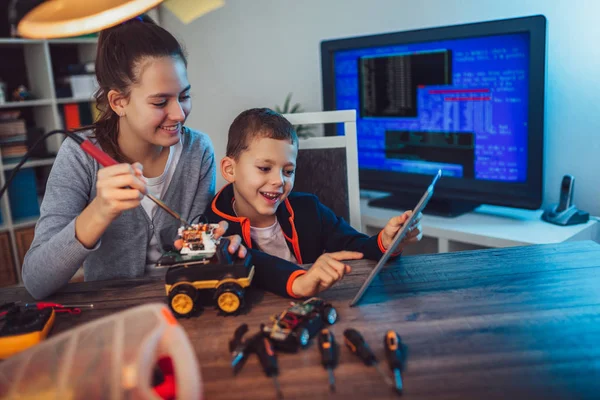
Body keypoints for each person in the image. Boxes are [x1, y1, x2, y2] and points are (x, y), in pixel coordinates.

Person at [21, 16, 246, 300]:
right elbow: (35, 281)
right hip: (112, 315)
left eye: (184, 96)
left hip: (183, 302)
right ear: (119, 102)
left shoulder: (197, 151)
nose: (179, 114)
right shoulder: (79, 156)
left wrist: (217, 245)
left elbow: (193, 248)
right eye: (160, 102)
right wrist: (100, 211)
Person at [202, 108, 423, 298]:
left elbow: (356, 247)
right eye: (264, 168)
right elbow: (250, 264)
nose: (279, 181)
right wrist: (299, 281)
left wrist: (386, 242)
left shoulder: (308, 209)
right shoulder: (214, 226)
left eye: (288, 171)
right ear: (230, 170)